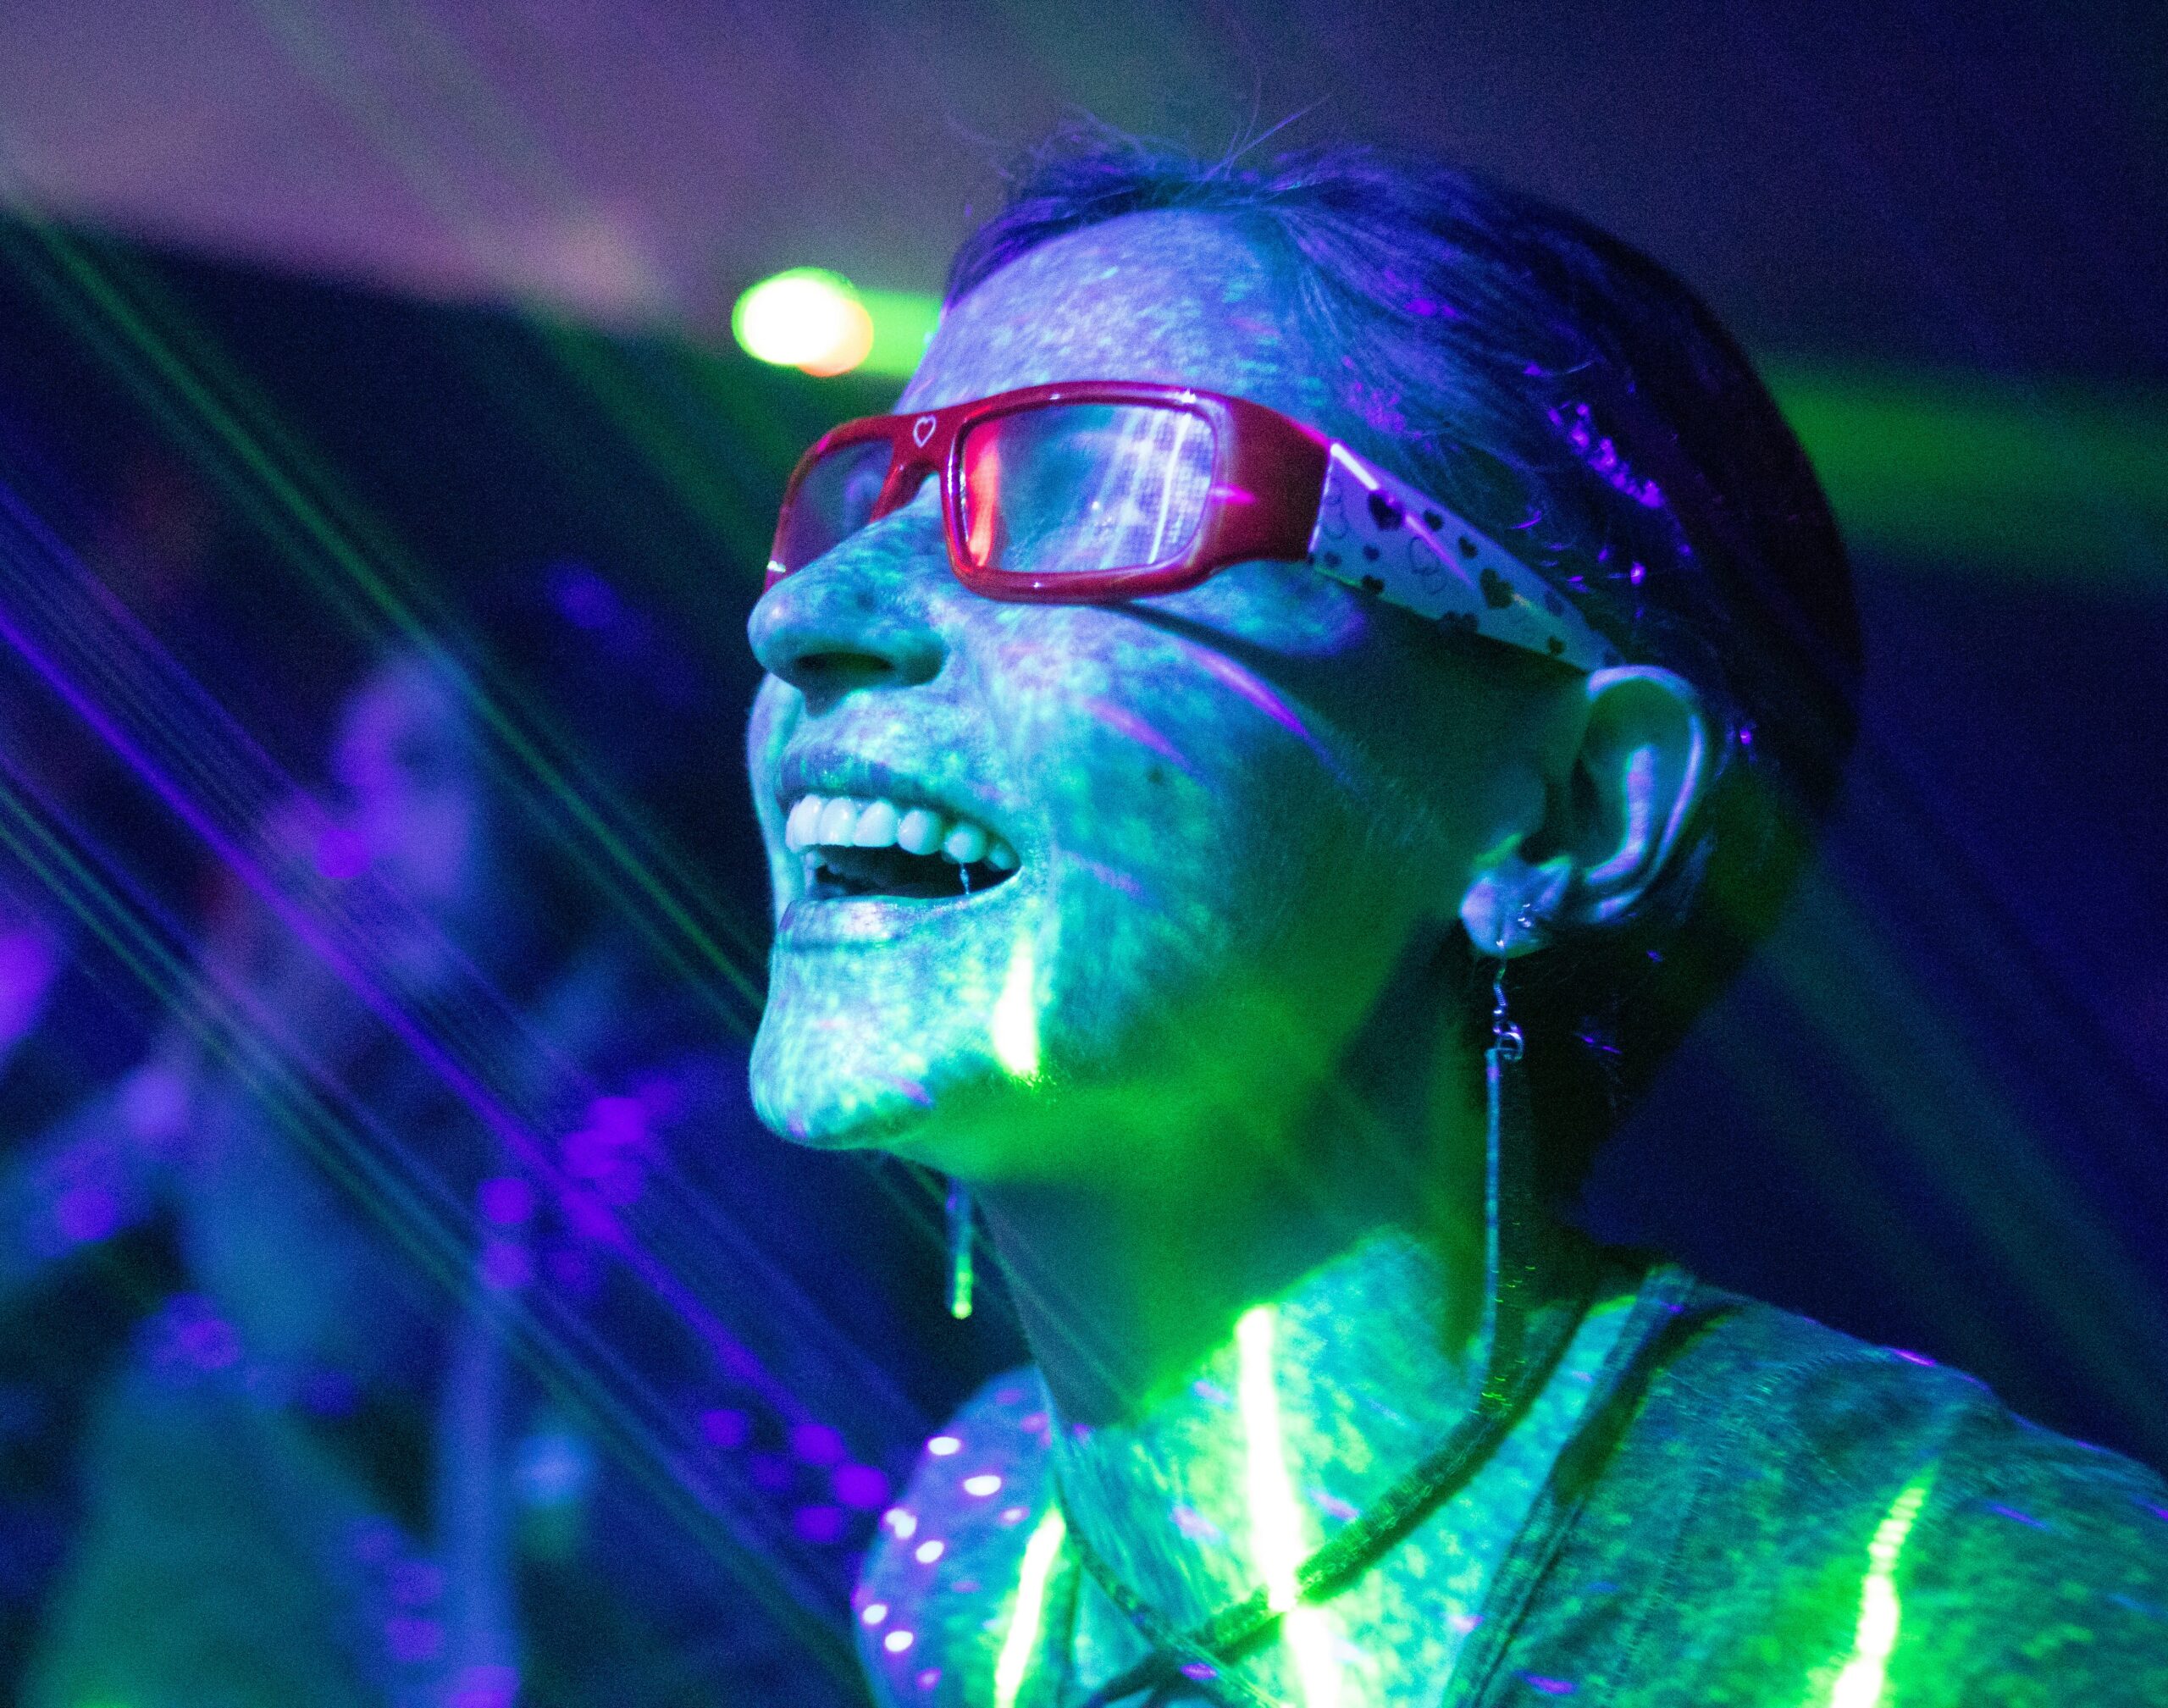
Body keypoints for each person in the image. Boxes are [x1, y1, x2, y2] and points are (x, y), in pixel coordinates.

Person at [744, 134, 2168, 1706]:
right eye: (869, 494)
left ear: (1569, 807)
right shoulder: (978, 1557)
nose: (804, 614)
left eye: (1100, 485)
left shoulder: (1970, 1607)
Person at [2, 629, 912, 1707]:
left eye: (421, 772)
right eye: (349, 785)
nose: (347, 845)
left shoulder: (672, 1131)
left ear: (567, 792)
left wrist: (267, 1045)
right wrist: (220, 1015)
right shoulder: (449, 1103)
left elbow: (317, 1332)